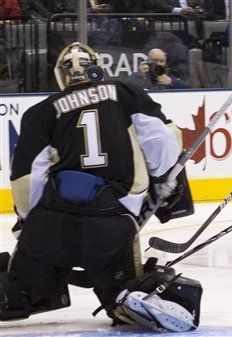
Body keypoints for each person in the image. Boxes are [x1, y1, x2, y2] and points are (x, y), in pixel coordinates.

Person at [0, 42, 202, 332]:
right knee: (127, 305)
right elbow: (162, 143)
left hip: (53, 225)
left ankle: (27, 293)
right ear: (97, 67)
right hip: (113, 222)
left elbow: (26, 180)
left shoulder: (41, 112)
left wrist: (29, 222)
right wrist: (162, 184)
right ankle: (123, 295)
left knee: (17, 298)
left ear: (61, 75)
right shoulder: (125, 93)